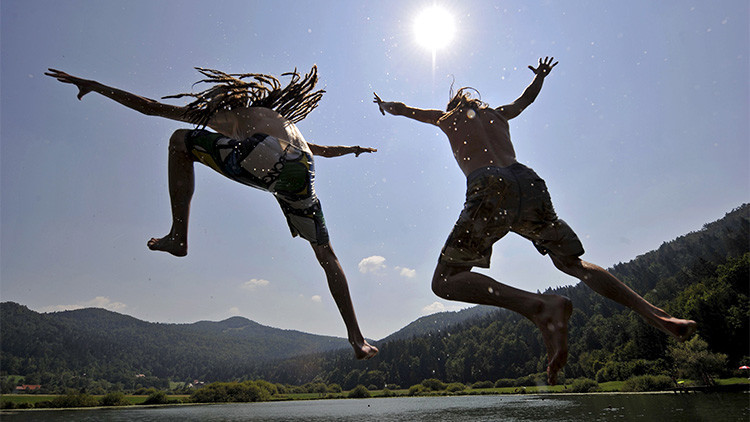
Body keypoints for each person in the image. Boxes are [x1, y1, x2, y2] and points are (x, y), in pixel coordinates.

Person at [373, 57, 696, 384]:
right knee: (573, 263)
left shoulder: (446, 117)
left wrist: (386, 105)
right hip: (527, 181)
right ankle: (661, 316)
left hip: (489, 186)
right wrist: (540, 76)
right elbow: (525, 100)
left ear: (455, 104)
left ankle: (541, 306)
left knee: (445, 281)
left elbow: (404, 108)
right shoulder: (498, 113)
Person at [46, 66, 378, 360]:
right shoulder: (282, 120)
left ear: (226, 102)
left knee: (179, 140)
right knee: (325, 254)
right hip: (302, 169)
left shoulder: (233, 116)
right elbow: (321, 150)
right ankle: (357, 337)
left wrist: (95, 85)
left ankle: (178, 236)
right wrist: (353, 150)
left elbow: (151, 108)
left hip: (268, 157)